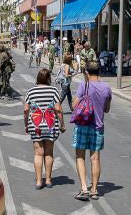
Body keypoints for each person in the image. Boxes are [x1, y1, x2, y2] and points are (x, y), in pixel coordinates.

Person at [72, 62, 112, 201]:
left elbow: (74, 105)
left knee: (80, 156)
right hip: (98, 127)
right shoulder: (107, 87)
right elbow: (106, 109)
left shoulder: (84, 85)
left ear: (86, 72)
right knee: (95, 159)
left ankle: (84, 189)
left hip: (83, 125)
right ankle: (94, 190)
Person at [24, 68, 65, 189]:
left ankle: (38, 181)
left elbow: (26, 110)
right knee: (49, 153)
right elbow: (58, 109)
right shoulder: (54, 90)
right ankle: (48, 180)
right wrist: (62, 124)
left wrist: (26, 124)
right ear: (48, 79)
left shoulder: (31, 91)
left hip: (36, 126)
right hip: (50, 125)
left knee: (38, 153)